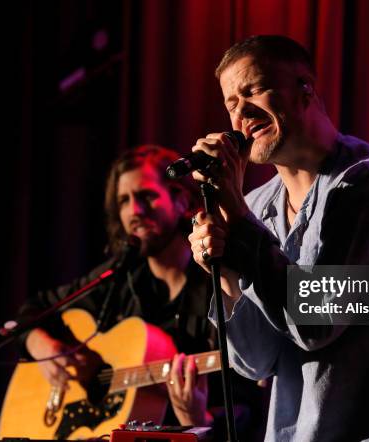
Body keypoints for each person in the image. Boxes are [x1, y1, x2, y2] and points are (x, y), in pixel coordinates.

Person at [188, 35, 369, 441]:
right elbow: (255, 361)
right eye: (231, 103)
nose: (241, 113)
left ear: (305, 89)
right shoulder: (255, 205)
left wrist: (237, 220)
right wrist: (224, 271)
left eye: (253, 90)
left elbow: (318, 321)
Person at [18, 144, 264, 437]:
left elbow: (249, 411)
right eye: (123, 201)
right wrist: (40, 344)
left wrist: (199, 421)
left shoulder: (220, 280)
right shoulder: (120, 278)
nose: (134, 211)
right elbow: (33, 311)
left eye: (146, 196)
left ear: (180, 199)